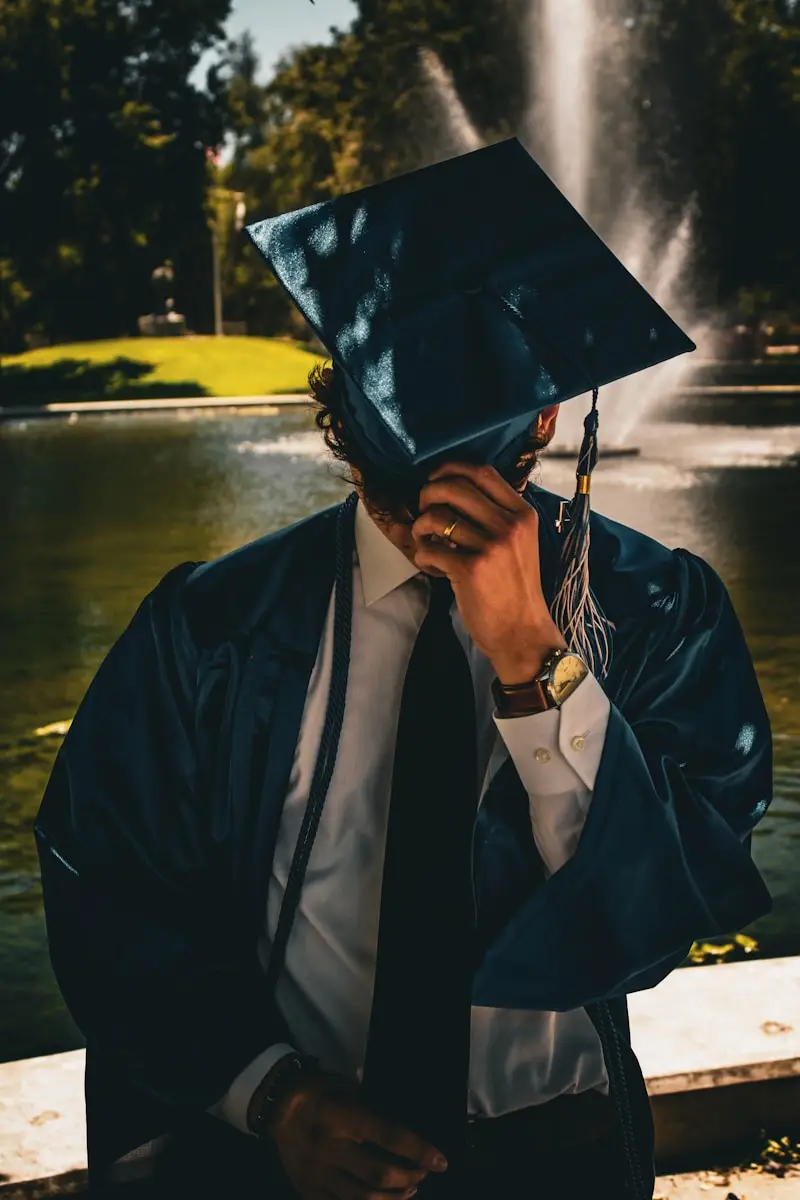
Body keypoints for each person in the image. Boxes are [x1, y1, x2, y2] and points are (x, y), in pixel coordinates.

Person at [36, 140, 773, 1200]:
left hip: (551, 1154)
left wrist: (535, 660)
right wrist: (269, 1093)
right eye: (398, 479)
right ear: (337, 424)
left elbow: (673, 897)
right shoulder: (213, 628)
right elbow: (108, 885)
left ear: (548, 422)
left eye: (475, 474)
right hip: (280, 1154)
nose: (434, 521)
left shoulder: (657, 611)